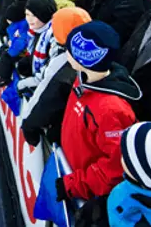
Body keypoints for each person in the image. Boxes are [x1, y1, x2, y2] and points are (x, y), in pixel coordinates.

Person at [55, 21, 141, 201]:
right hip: (71, 167)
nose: (66, 54)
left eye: (69, 50)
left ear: (85, 58)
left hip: (84, 190)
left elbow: (115, 168)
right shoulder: (83, 79)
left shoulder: (111, 110)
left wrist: (74, 185)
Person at [21, 8, 88, 146]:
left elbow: (46, 97)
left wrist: (28, 124)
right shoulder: (91, 54)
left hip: (65, 132)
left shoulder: (64, 62)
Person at [0, 2, 29, 88]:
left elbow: (20, 43)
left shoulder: (22, 28)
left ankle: (4, 78)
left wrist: (10, 50)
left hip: (23, 52)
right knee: (2, 49)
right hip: (15, 47)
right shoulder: (16, 26)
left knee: (6, 57)